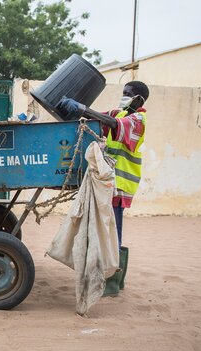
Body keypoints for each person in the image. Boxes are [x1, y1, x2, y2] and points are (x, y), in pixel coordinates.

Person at [58, 81, 149, 295]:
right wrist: (77, 110)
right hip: (109, 182)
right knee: (107, 231)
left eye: (128, 93)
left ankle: (111, 283)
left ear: (139, 99)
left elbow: (114, 125)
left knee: (112, 233)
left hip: (121, 184)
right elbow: (98, 117)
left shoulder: (138, 119)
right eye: (124, 92)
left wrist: (80, 107)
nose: (124, 96)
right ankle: (114, 279)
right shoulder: (120, 113)